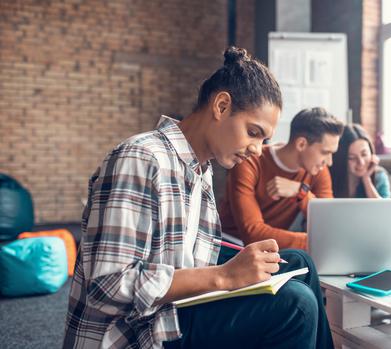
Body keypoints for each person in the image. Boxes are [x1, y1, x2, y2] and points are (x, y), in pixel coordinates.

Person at [63, 47, 334, 349]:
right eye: (253, 132)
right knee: (296, 305)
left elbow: (186, 258)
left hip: (176, 305)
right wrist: (224, 276)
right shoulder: (141, 157)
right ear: (221, 106)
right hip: (140, 329)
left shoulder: (201, 170)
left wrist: (240, 268)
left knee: (300, 263)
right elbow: (108, 286)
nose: (258, 149)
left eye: (264, 139)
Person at [219, 107, 344, 250]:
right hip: (231, 247)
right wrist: (316, 242)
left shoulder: (318, 169)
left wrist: (301, 192)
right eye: (325, 152)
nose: (329, 162)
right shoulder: (249, 161)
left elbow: (329, 225)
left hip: (274, 250)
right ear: (301, 144)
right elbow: (252, 233)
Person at [330, 124, 391, 198]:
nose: (361, 162)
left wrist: (366, 180)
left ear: (371, 152)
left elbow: (384, 208)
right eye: (352, 158)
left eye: (364, 154)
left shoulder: (379, 176)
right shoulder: (331, 176)